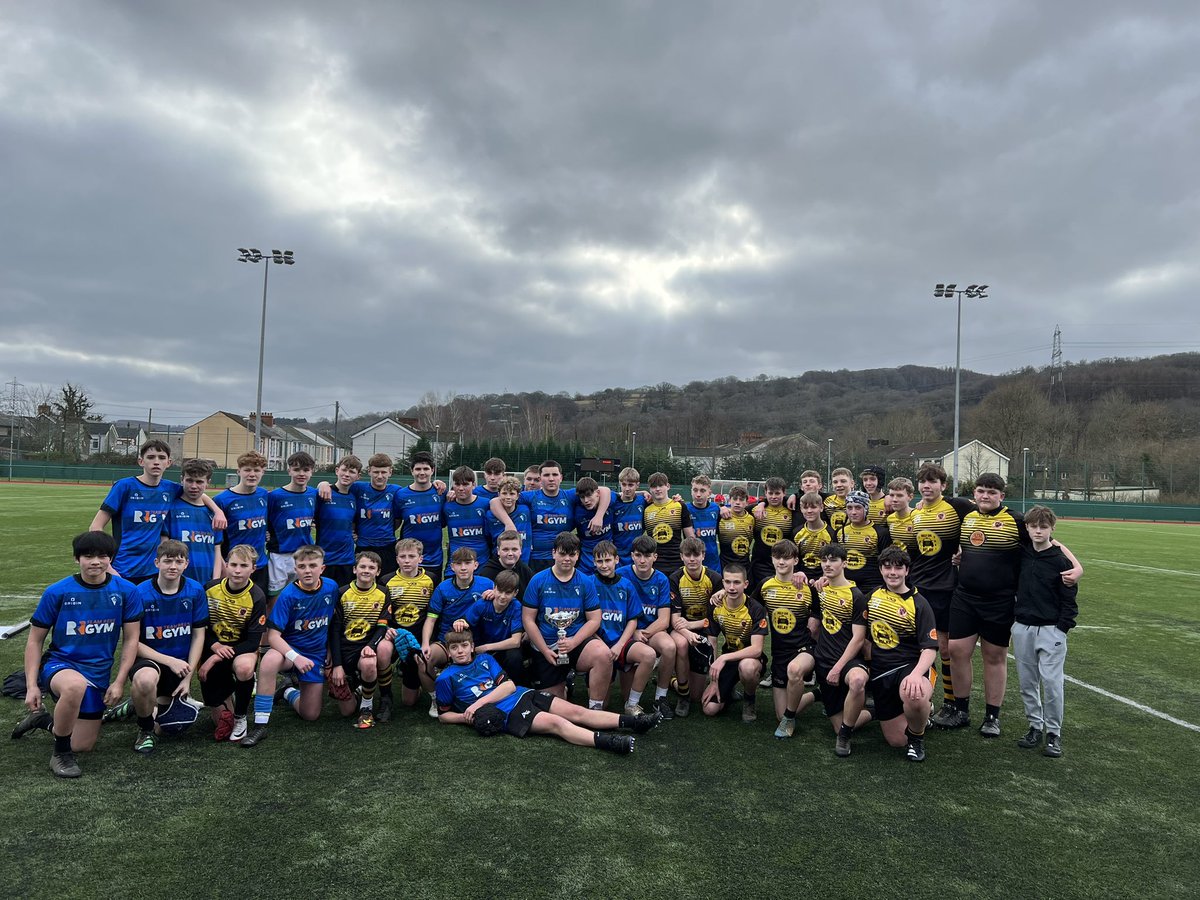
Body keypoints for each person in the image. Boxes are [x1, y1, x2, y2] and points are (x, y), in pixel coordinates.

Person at [944, 474, 1083, 736]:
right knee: (956, 650)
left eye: (991, 492)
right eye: (981, 491)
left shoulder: (1016, 519)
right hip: (964, 597)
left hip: (999, 600)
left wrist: (1077, 567)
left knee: (994, 656)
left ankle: (991, 717)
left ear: (1001, 496)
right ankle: (960, 711)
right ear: (974, 493)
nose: (985, 496)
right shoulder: (967, 515)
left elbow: (1051, 543)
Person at [14, 531, 142, 778]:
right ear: (76, 559)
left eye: (102, 555)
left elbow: (131, 639)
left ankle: (41, 721)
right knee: (75, 686)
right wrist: (32, 685)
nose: (95, 561)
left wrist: (118, 682)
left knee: (82, 745)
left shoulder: (127, 591)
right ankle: (60, 755)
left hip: (99, 672)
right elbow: (34, 640)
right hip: (60, 664)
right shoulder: (57, 592)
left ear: (110, 559)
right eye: (88, 555)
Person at [435, 630, 657, 754]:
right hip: (507, 714)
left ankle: (634, 723)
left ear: (472, 646)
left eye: (464, 646)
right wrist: (467, 718)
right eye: (454, 648)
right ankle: (610, 742)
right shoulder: (445, 677)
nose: (460, 651)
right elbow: (443, 715)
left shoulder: (484, 659)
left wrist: (475, 706)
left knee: (577, 712)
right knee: (557, 724)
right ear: (449, 652)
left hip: (522, 693)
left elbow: (509, 686)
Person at [106, 541, 208, 754]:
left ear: (186, 564)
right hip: (150, 660)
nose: (173, 566)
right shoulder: (139, 593)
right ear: (156, 563)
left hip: (179, 667)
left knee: (170, 727)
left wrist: (188, 677)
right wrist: (169, 660)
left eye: (179, 561)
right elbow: (132, 642)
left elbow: (199, 635)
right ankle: (144, 730)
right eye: (167, 561)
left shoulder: (196, 590)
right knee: (145, 682)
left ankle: (135, 705)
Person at [90, 439, 224, 584]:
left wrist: (218, 511)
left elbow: (198, 492)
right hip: (123, 567)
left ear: (169, 462)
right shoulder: (125, 486)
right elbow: (95, 527)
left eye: (161, 458)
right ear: (141, 461)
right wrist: (109, 567)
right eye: (151, 457)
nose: (156, 462)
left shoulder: (170, 488)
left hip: (155, 570)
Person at [241, 546, 338, 747]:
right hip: (288, 652)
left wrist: (330, 652)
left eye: (313, 566)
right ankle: (260, 725)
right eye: (302, 566)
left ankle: (286, 691)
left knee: (310, 714)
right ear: (296, 569)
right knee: (269, 660)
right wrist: (296, 657)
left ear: (323, 568)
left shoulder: (331, 588)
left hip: (315, 656)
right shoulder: (288, 595)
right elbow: (273, 636)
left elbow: (334, 623)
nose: (308, 570)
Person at [906, 463, 975, 723]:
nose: (927, 485)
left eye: (932, 481)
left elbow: (987, 517)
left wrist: (965, 550)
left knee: (944, 648)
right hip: (918, 587)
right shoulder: (916, 512)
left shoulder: (957, 506)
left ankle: (951, 703)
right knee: (920, 648)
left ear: (943, 485)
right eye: (923, 481)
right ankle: (926, 701)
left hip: (945, 588)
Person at [1011, 506, 1080, 759]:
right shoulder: (1022, 554)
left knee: (1051, 683)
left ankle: (1053, 733)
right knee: (1027, 682)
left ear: (1052, 529)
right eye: (1033, 526)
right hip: (1022, 627)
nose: (1038, 531)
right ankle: (1034, 726)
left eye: (1043, 527)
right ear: (1027, 528)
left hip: (1051, 630)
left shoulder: (1061, 560)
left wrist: (1062, 628)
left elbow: (1069, 600)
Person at [863, 546, 938, 762]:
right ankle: (924, 714)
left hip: (911, 666)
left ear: (907, 571)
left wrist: (916, 674)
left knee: (914, 693)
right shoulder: (871, 598)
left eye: (898, 567)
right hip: (881, 672)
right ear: (880, 570)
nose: (892, 572)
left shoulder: (919, 603)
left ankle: (917, 737)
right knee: (896, 741)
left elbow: (930, 648)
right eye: (887, 568)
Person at [521, 533, 609, 699]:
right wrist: (545, 650)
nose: (567, 558)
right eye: (562, 554)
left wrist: (573, 642)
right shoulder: (538, 580)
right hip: (547, 646)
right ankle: (565, 684)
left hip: (576, 642)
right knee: (552, 706)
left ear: (578, 555)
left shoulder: (585, 582)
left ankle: (597, 712)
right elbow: (528, 619)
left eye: (572, 554)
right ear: (553, 553)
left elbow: (595, 619)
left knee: (603, 654)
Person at [198, 544, 266, 743]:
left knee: (244, 668)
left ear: (253, 568)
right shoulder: (210, 589)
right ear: (226, 565)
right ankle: (227, 700)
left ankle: (241, 716)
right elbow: (200, 627)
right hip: (213, 645)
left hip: (242, 648)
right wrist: (215, 647)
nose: (237, 570)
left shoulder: (257, 596)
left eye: (244, 565)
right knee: (219, 722)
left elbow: (254, 641)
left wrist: (215, 656)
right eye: (233, 564)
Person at [492, 459, 610, 573]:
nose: (551, 479)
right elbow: (495, 502)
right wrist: (508, 523)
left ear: (561, 478)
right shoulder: (530, 496)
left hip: (564, 557)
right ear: (541, 478)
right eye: (547, 475)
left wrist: (599, 516)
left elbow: (604, 490)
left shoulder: (569, 496)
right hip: (537, 559)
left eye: (555, 474)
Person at [808, 543, 871, 757]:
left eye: (833, 560)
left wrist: (838, 667)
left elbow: (858, 638)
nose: (827, 564)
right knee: (838, 723)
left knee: (857, 680)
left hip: (848, 660)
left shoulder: (856, 596)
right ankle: (872, 712)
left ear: (844, 563)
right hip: (823, 659)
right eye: (824, 560)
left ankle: (845, 736)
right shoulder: (821, 588)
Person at [420, 547, 495, 715]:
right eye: (458, 564)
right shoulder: (443, 588)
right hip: (448, 641)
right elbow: (431, 619)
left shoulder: (487, 584)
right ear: (451, 567)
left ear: (475, 565)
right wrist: (425, 644)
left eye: (467, 563)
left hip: (478, 642)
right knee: (423, 659)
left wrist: (494, 594)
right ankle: (436, 698)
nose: (463, 567)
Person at [756, 539, 817, 739]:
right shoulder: (765, 585)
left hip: (804, 649)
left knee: (795, 670)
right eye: (777, 557)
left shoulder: (807, 586)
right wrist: (722, 592)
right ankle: (817, 695)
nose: (781, 562)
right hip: (779, 653)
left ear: (796, 560)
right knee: (779, 714)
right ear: (772, 559)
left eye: (786, 558)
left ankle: (789, 720)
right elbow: (745, 604)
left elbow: (819, 611)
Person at [328, 552, 391, 729]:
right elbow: (334, 630)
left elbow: (382, 626)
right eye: (362, 566)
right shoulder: (342, 592)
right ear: (355, 569)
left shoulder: (383, 593)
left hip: (364, 648)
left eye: (372, 568)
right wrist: (337, 665)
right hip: (343, 649)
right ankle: (288, 691)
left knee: (370, 663)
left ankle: (366, 707)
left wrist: (371, 646)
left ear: (378, 572)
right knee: (346, 711)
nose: (366, 570)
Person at [616, 535, 676, 718]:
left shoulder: (661, 579)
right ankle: (632, 701)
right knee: (625, 695)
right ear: (632, 556)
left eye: (647, 556)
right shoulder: (621, 574)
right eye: (638, 555)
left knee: (670, 646)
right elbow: (617, 612)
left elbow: (664, 620)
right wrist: (633, 632)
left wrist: (644, 633)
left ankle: (660, 698)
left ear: (655, 557)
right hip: (627, 632)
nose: (642, 560)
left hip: (652, 630)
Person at [376, 538, 436, 719]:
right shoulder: (387, 580)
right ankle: (381, 694)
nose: (407, 560)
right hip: (396, 636)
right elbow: (382, 612)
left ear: (421, 558)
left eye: (412, 556)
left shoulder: (431, 579)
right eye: (403, 556)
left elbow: (433, 614)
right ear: (397, 560)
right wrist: (388, 629)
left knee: (410, 700)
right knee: (382, 651)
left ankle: (428, 682)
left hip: (419, 638)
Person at [701, 564, 768, 723]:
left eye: (737, 582)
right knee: (709, 709)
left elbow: (757, 649)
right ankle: (728, 691)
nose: (732, 587)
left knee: (747, 667)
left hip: (751, 659)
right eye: (728, 582)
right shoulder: (716, 605)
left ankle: (749, 699)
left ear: (745, 584)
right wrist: (714, 681)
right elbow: (712, 641)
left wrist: (723, 658)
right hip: (729, 660)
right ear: (723, 583)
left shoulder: (755, 609)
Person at [589, 540, 651, 711]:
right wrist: (600, 644)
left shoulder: (626, 585)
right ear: (594, 562)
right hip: (597, 644)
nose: (604, 565)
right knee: (603, 704)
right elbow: (584, 622)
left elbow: (633, 619)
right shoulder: (588, 583)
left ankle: (631, 704)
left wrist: (619, 645)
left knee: (648, 655)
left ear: (617, 560)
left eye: (607, 560)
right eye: (599, 561)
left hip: (620, 643)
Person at [667, 537, 723, 717]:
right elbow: (674, 618)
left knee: (697, 696)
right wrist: (687, 632)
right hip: (680, 628)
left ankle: (673, 681)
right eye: (688, 555)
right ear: (681, 557)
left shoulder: (714, 578)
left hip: (701, 626)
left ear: (703, 556)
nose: (692, 559)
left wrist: (692, 625)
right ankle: (682, 694)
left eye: (696, 555)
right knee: (682, 644)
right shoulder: (675, 578)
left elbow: (714, 619)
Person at [453, 568, 526, 683]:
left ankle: (515, 686)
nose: (502, 596)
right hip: (480, 648)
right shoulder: (482, 604)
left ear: (515, 593)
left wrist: (487, 647)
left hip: (502, 649)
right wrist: (459, 622)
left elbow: (516, 641)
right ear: (494, 588)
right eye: (500, 591)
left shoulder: (516, 607)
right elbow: (465, 622)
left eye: (507, 593)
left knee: (514, 657)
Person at [215, 451, 271, 595]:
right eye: (247, 470)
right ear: (238, 471)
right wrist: (223, 565)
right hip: (235, 567)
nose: (252, 474)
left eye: (257, 470)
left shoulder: (264, 495)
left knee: (259, 607)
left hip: (259, 565)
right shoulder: (222, 500)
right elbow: (216, 538)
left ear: (263, 472)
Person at [266, 451, 318, 597]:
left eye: (306, 470)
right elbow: (264, 519)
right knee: (275, 598)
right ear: (289, 470)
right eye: (296, 469)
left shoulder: (314, 494)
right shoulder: (275, 496)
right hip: (279, 555)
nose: (301, 474)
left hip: (304, 554)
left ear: (312, 472)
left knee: (301, 595)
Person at [392, 451, 447, 584]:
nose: (422, 473)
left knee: (432, 599)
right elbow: (396, 521)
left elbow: (444, 522)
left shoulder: (441, 493)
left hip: (434, 559)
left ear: (432, 470)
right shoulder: (401, 495)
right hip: (409, 559)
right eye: (418, 469)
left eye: (426, 469)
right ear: (412, 471)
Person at [168, 458, 224, 584]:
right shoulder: (171, 508)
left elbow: (217, 550)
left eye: (199, 482)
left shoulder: (214, 514)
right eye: (189, 480)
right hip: (177, 582)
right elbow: (164, 547)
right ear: (182, 479)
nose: (194, 486)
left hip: (207, 581)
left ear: (208, 482)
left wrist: (214, 582)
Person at [316, 455, 361, 587]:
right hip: (325, 558)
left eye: (352, 472)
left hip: (346, 559)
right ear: (337, 471)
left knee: (343, 598)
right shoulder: (324, 493)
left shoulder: (354, 497)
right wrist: (322, 483)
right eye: (344, 470)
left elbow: (351, 522)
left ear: (358, 476)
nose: (347, 474)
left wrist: (354, 533)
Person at [835, 490, 891, 595]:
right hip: (845, 586)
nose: (853, 512)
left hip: (872, 586)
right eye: (849, 508)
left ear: (866, 509)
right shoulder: (839, 532)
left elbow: (885, 562)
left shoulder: (881, 533)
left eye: (858, 507)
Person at [443, 466, 491, 575]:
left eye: (465, 484)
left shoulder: (485, 504)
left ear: (474, 485)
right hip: (455, 566)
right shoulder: (447, 506)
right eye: (457, 484)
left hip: (482, 565)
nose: (460, 488)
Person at [643, 473, 694, 575]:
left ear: (668, 486)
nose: (657, 489)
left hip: (677, 562)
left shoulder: (679, 506)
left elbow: (690, 538)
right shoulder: (646, 509)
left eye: (661, 485)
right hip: (654, 563)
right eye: (654, 486)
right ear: (649, 489)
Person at [749, 477, 793, 588]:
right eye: (770, 493)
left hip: (784, 563)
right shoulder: (755, 510)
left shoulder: (792, 510)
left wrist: (793, 496)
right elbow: (736, 511)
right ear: (765, 493)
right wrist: (723, 509)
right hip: (761, 565)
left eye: (777, 493)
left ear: (784, 493)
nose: (773, 497)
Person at [486, 478, 532, 565]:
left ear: (518, 496)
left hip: (523, 563)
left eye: (512, 494)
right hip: (500, 563)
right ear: (498, 494)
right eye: (504, 493)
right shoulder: (490, 515)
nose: (508, 497)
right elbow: (488, 539)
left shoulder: (525, 510)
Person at [478, 530, 535, 597]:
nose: (510, 554)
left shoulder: (526, 571)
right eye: (505, 550)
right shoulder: (487, 574)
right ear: (498, 551)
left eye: (514, 549)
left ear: (520, 550)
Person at [793, 492, 836, 582]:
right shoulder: (796, 533)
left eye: (813, 507)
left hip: (824, 579)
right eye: (805, 507)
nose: (809, 511)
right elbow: (793, 559)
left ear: (821, 507)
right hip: (800, 578)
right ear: (801, 509)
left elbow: (833, 560)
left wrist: (824, 578)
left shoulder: (831, 533)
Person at [610, 467, 648, 566]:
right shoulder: (613, 502)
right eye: (624, 484)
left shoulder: (643, 501)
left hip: (637, 556)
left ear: (637, 485)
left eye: (631, 485)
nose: (627, 489)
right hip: (617, 557)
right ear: (619, 483)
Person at [686, 474, 722, 573]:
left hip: (713, 565)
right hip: (692, 564)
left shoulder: (716, 509)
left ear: (709, 493)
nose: (698, 494)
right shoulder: (684, 509)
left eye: (702, 490)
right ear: (691, 491)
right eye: (695, 490)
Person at [716, 485, 755, 574]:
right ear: (729, 500)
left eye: (741, 500)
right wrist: (721, 507)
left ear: (747, 502)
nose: (737, 502)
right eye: (734, 499)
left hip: (745, 566)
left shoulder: (752, 519)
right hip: (725, 565)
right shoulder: (722, 516)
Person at [823, 467, 855, 531]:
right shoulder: (827, 502)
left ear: (852, 483)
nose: (839, 485)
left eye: (843, 481)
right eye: (835, 482)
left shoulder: (860, 502)